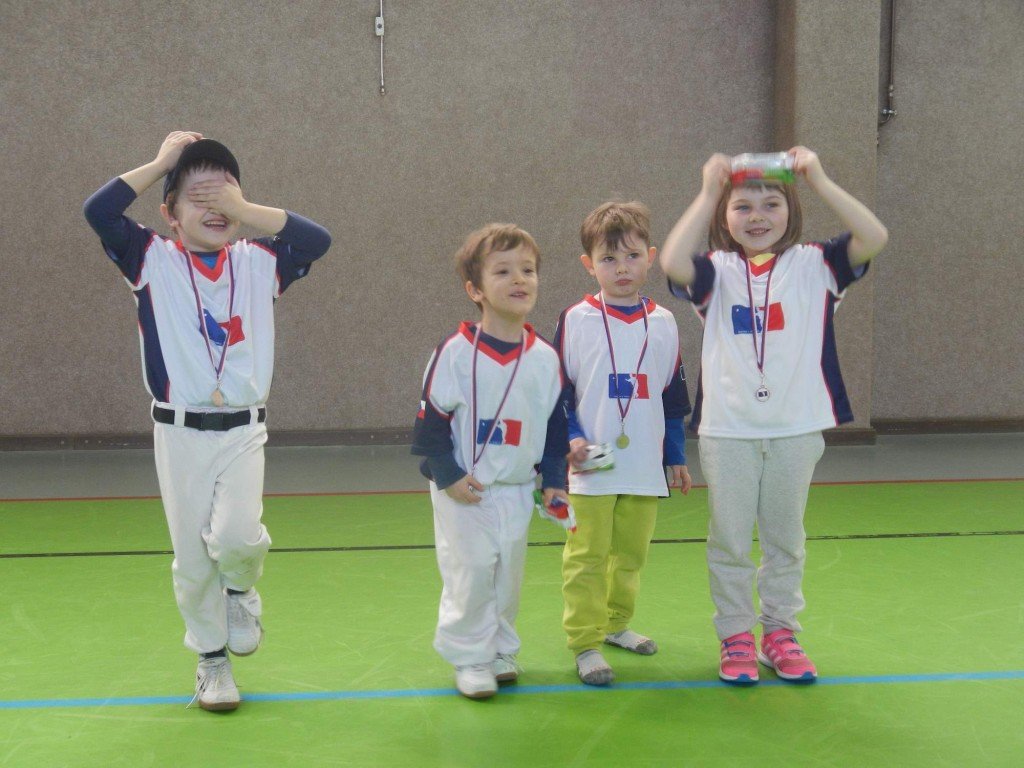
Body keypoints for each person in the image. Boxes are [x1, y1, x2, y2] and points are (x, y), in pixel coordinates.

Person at [83, 131, 332, 710]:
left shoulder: (259, 262)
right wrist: (162, 163)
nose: (215, 206)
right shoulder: (150, 259)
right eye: (198, 196)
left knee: (239, 536)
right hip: (179, 433)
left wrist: (245, 209)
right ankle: (211, 659)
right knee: (193, 559)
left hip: (243, 429)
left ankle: (241, 590)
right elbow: (99, 212)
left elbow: (317, 239)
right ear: (169, 214)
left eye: (225, 195)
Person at [659, 147, 888, 684]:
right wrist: (708, 190)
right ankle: (736, 635)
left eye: (771, 204)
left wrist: (820, 178)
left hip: (795, 429)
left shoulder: (817, 265)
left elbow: (874, 235)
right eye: (742, 206)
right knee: (731, 540)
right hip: (729, 431)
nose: (757, 216)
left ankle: (780, 633)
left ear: (792, 210)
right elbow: (671, 261)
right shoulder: (715, 271)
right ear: (725, 217)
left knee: (786, 539)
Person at [411, 224, 569, 700]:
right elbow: (430, 427)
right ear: (474, 290)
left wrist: (554, 481)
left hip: (517, 489)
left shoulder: (546, 359)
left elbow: (555, 429)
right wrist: (449, 475)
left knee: (506, 577)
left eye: (528, 270)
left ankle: (501, 648)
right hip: (465, 489)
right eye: (502, 272)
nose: (519, 279)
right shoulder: (454, 353)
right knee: (472, 572)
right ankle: (470, 657)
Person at [555, 201, 692, 686]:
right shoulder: (576, 320)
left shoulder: (665, 323)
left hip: (643, 464)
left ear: (650, 257)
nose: (622, 268)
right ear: (588, 264)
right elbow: (558, 392)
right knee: (587, 556)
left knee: (631, 555)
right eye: (608, 259)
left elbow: (672, 399)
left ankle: (616, 624)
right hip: (591, 466)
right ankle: (585, 642)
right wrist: (572, 437)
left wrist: (675, 456)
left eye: (632, 256)